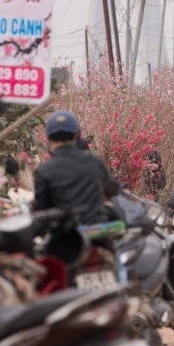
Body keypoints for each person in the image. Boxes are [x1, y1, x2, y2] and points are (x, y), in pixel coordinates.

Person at [33, 110, 117, 262]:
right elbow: (112, 188)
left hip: (65, 244)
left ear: (49, 138)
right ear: (77, 135)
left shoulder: (44, 170)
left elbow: (40, 212)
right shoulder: (94, 161)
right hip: (100, 237)